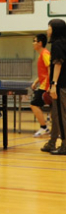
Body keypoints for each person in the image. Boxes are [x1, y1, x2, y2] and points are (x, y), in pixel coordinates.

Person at [43, 19, 66, 155]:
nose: (47, 30)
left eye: (49, 28)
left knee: (61, 116)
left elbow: (58, 64)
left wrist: (53, 84)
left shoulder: (57, 44)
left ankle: (64, 145)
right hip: (62, 85)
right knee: (57, 115)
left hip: (61, 85)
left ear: (55, 29)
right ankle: (53, 142)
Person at [30, 34, 51, 137]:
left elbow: (50, 69)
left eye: (35, 41)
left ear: (40, 43)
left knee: (34, 104)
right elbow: (44, 72)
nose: (33, 43)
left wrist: (51, 85)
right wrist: (36, 82)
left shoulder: (45, 54)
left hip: (46, 86)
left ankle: (44, 127)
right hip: (43, 85)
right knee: (53, 109)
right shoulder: (41, 54)